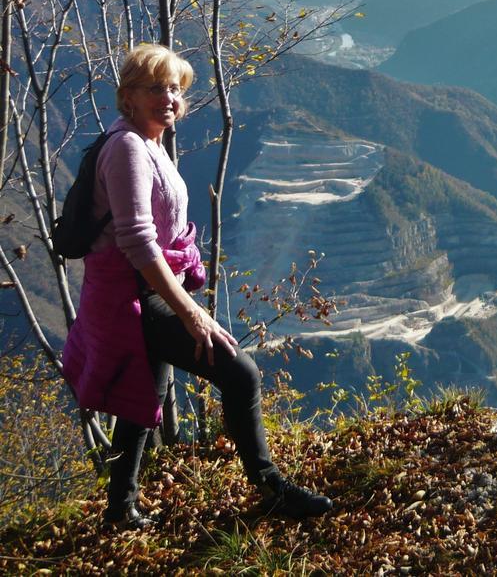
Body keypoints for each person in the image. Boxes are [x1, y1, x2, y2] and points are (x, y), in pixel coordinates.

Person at [62, 43, 332, 529]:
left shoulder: (148, 142)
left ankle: (119, 512)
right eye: (154, 88)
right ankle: (271, 489)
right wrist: (191, 311)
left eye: (174, 88)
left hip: (141, 291)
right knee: (240, 373)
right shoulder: (127, 148)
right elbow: (139, 243)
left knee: (143, 398)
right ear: (130, 96)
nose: (168, 97)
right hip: (132, 297)